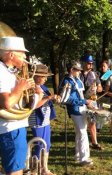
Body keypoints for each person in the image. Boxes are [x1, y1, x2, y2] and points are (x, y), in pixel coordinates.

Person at [0, 36, 35, 175]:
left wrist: (34, 90)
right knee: (15, 172)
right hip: (10, 129)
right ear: (11, 54)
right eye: (22, 53)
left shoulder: (9, 71)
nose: (25, 56)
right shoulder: (2, 72)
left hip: (12, 128)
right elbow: (7, 103)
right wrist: (20, 87)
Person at [59, 60, 94, 166]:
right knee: (83, 133)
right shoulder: (67, 81)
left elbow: (80, 94)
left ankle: (78, 155)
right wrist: (84, 101)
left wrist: (90, 93)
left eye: (79, 70)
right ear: (71, 70)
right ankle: (84, 158)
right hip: (74, 110)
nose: (79, 72)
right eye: (77, 70)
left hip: (82, 108)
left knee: (79, 133)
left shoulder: (77, 79)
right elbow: (66, 99)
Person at [28, 64, 59, 175]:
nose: (46, 79)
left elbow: (48, 101)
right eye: (43, 76)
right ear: (36, 76)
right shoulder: (32, 88)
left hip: (45, 120)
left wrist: (54, 99)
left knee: (47, 144)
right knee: (39, 145)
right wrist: (48, 97)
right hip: (37, 120)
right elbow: (34, 105)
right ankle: (34, 170)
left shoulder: (44, 87)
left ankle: (44, 168)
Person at [79, 54, 103, 150]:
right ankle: (84, 142)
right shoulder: (78, 73)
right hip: (81, 100)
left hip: (92, 101)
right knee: (82, 123)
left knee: (92, 122)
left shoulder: (94, 74)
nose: (90, 65)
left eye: (91, 63)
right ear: (83, 63)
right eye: (89, 63)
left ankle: (94, 142)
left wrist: (97, 88)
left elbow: (101, 88)